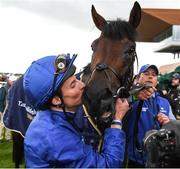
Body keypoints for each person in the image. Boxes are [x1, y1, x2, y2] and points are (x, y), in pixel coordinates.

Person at [23, 53, 130, 168]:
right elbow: (108, 165)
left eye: (77, 79)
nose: (82, 84)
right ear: (56, 100)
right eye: (73, 85)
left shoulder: (52, 118)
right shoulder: (55, 137)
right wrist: (117, 121)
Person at [123, 64, 176, 168]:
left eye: (154, 75)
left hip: (160, 159)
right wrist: (134, 96)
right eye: (146, 74)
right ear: (138, 78)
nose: (150, 77)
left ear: (157, 80)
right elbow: (119, 104)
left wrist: (168, 123)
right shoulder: (130, 97)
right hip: (134, 160)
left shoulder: (164, 102)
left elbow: (175, 129)